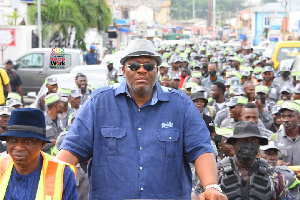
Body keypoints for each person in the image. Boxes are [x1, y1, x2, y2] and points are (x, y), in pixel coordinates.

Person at [57, 39, 227, 199]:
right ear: (123, 70)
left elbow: (201, 150)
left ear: (157, 71)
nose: (141, 70)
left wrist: (211, 186)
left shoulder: (181, 105)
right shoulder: (98, 104)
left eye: (148, 66)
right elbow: (72, 151)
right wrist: (49, 185)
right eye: (134, 65)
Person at [0, 108, 78, 199]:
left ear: (42, 144)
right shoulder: (1, 166)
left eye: (27, 141)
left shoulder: (63, 174)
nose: (18, 147)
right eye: (12, 140)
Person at [218, 121, 291, 199]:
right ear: (233, 143)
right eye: (244, 141)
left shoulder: (274, 175)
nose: (249, 146)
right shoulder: (216, 172)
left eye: (254, 141)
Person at [275, 101, 300, 166]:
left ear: (299, 118)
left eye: (290, 116)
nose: (285, 120)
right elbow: (267, 160)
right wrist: (275, 163)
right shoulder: (274, 139)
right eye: (283, 116)